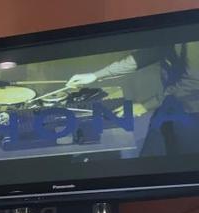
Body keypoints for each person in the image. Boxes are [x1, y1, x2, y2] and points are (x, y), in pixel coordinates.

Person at [67, 42, 199, 155]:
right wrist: (95, 75)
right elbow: (145, 55)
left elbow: (193, 81)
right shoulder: (170, 30)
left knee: (182, 166)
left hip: (191, 112)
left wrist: (145, 105)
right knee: (152, 159)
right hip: (169, 105)